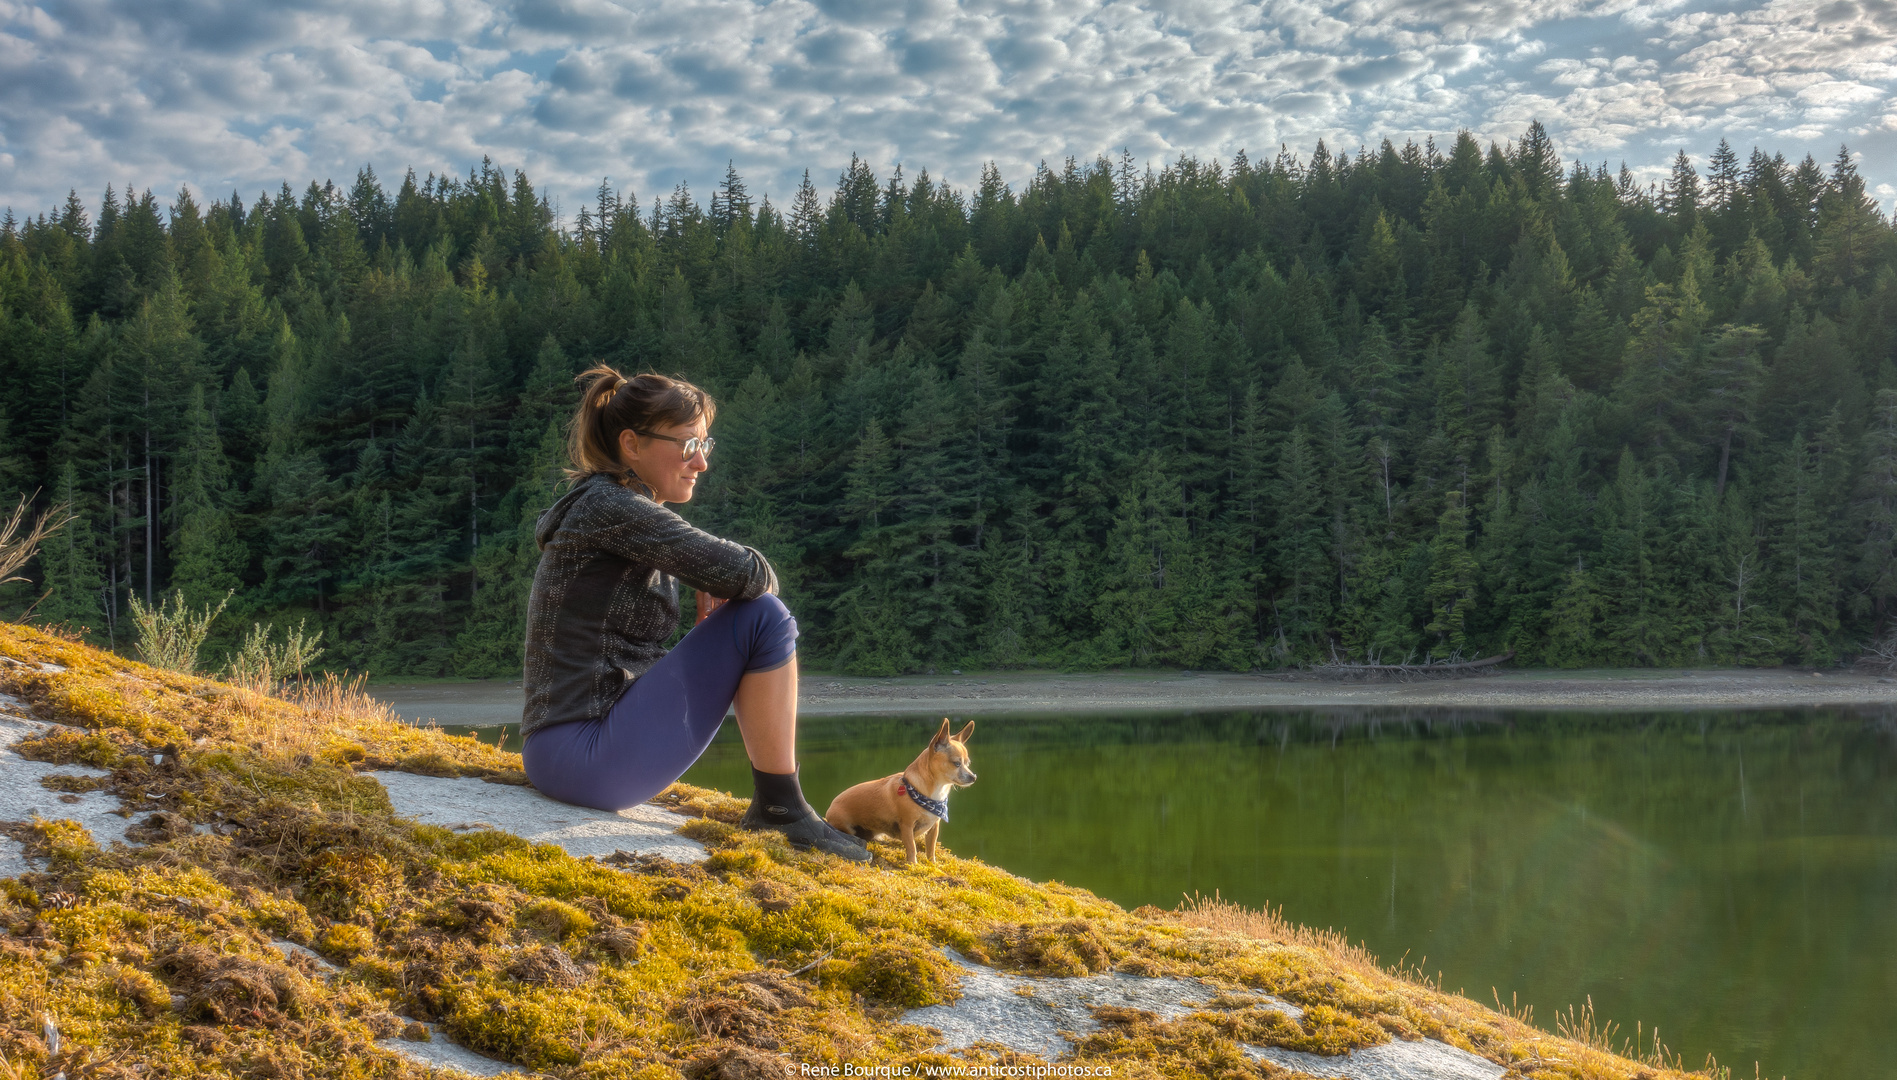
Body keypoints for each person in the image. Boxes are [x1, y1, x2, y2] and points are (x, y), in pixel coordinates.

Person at [519, 366, 869, 861]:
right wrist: (725, 584)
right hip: (583, 757)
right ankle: (780, 810)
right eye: (687, 446)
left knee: (753, 614)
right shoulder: (612, 508)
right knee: (764, 617)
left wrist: (718, 594)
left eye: (706, 445)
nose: (701, 463)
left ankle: (781, 807)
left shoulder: (604, 505)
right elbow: (751, 573)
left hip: (562, 752)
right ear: (631, 445)